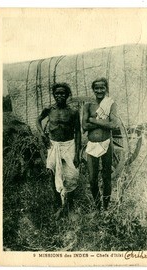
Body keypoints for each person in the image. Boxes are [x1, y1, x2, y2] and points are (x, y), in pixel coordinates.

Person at [36, 83, 81, 216]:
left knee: (71, 175)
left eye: (62, 93)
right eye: (57, 93)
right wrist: (42, 135)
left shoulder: (73, 111)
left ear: (67, 95)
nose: (59, 96)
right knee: (53, 173)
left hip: (69, 145)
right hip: (53, 146)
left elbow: (78, 132)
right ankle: (58, 204)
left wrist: (77, 154)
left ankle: (69, 206)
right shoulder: (49, 110)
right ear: (54, 95)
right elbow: (38, 120)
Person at [82, 77, 119, 210]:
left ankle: (106, 207)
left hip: (106, 144)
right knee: (92, 179)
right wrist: (104, 123)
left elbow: (114, 124)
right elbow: (84, 126)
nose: (99, 90)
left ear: (106, 89)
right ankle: (98, 207)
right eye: (96, 88)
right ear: (93, 90)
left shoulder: (111, 104)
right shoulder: (88, 106)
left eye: (102, 87)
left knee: (106, 177)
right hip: (92, 145)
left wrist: (93, 120)